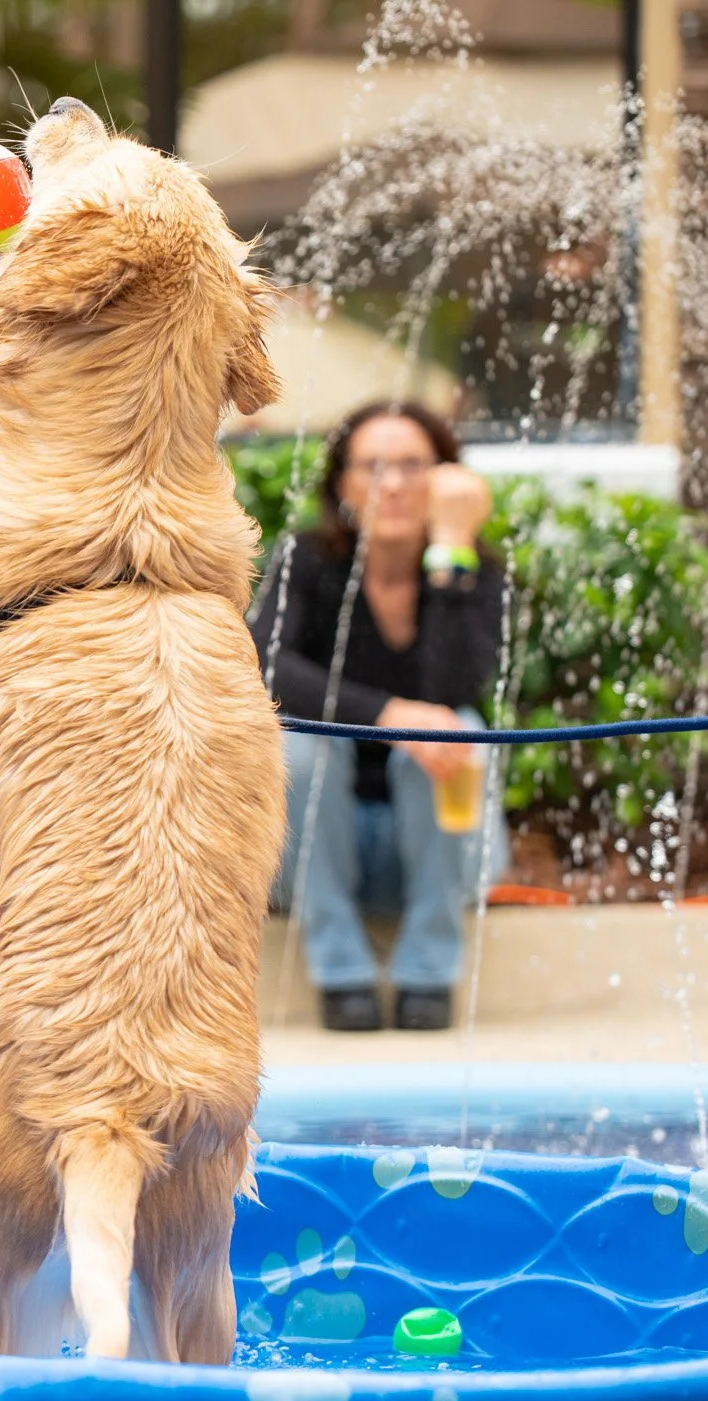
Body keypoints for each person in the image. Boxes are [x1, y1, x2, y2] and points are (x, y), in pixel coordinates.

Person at [248, 401, 508, 1033]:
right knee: (301, 744)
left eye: (413, 466)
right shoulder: (305, 562)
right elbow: (261, 663)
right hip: (313, 859)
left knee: (457, 730)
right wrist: (389, 714)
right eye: (373, 466)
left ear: (447, 480)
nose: (392, 484)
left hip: (437, 852)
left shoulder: (479, 573)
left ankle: (428, 973)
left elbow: (457, 688)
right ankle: (342, 973)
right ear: (343, 484)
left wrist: (449, 550)